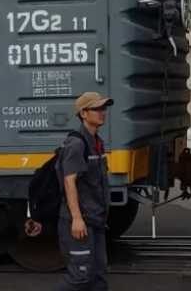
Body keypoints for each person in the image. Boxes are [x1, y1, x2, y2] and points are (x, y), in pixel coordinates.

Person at [56, 91, 113, 291]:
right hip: (81, 222)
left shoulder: (97, 143)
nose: (102, 112)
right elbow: (69, 182)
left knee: (98, 276)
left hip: (96, 219)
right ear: (83, 113)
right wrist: (77, 218)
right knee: (80, 277)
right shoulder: (77, 144)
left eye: (103, 108)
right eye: (96, 109)